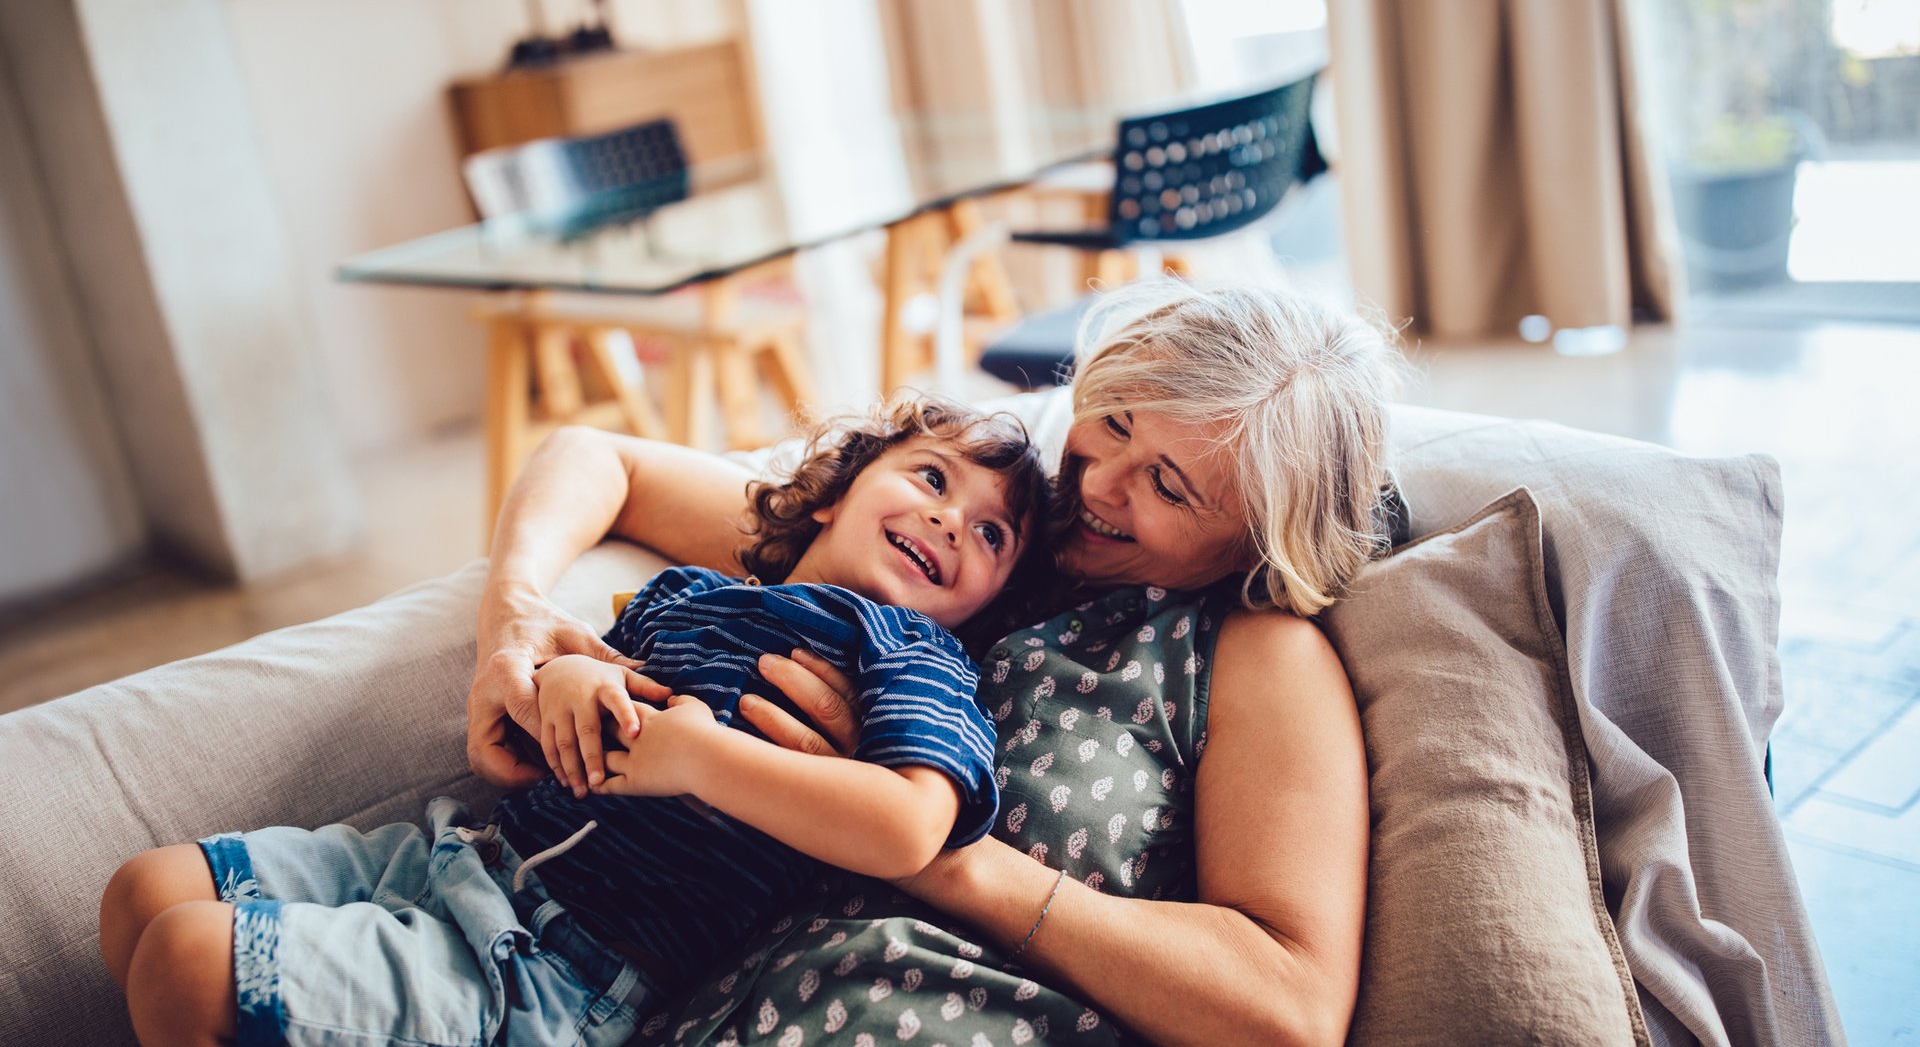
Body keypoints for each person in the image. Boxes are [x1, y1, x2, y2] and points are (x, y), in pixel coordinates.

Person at [459, 277, 1405, 1046]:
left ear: (1257, 544)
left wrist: (918, 845)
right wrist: (516, 617)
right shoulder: (964, 547)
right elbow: (605, 463)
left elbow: (1287, 1007)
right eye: (1114, 421)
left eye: (1168, 486)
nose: (1097, 485)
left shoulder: (1255, 655)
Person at [97, 398, 1055, 1047]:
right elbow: (574, 688)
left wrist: (702, 759)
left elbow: (908, 825)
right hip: (452, 861)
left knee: (186, 962)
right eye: (932, 481)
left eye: (989, 536)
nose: (948, 524)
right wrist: (557, 687)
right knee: (146, 891)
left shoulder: (912, 659)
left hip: (561, 975)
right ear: (839, 489)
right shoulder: (692, 592)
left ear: (985, 607)